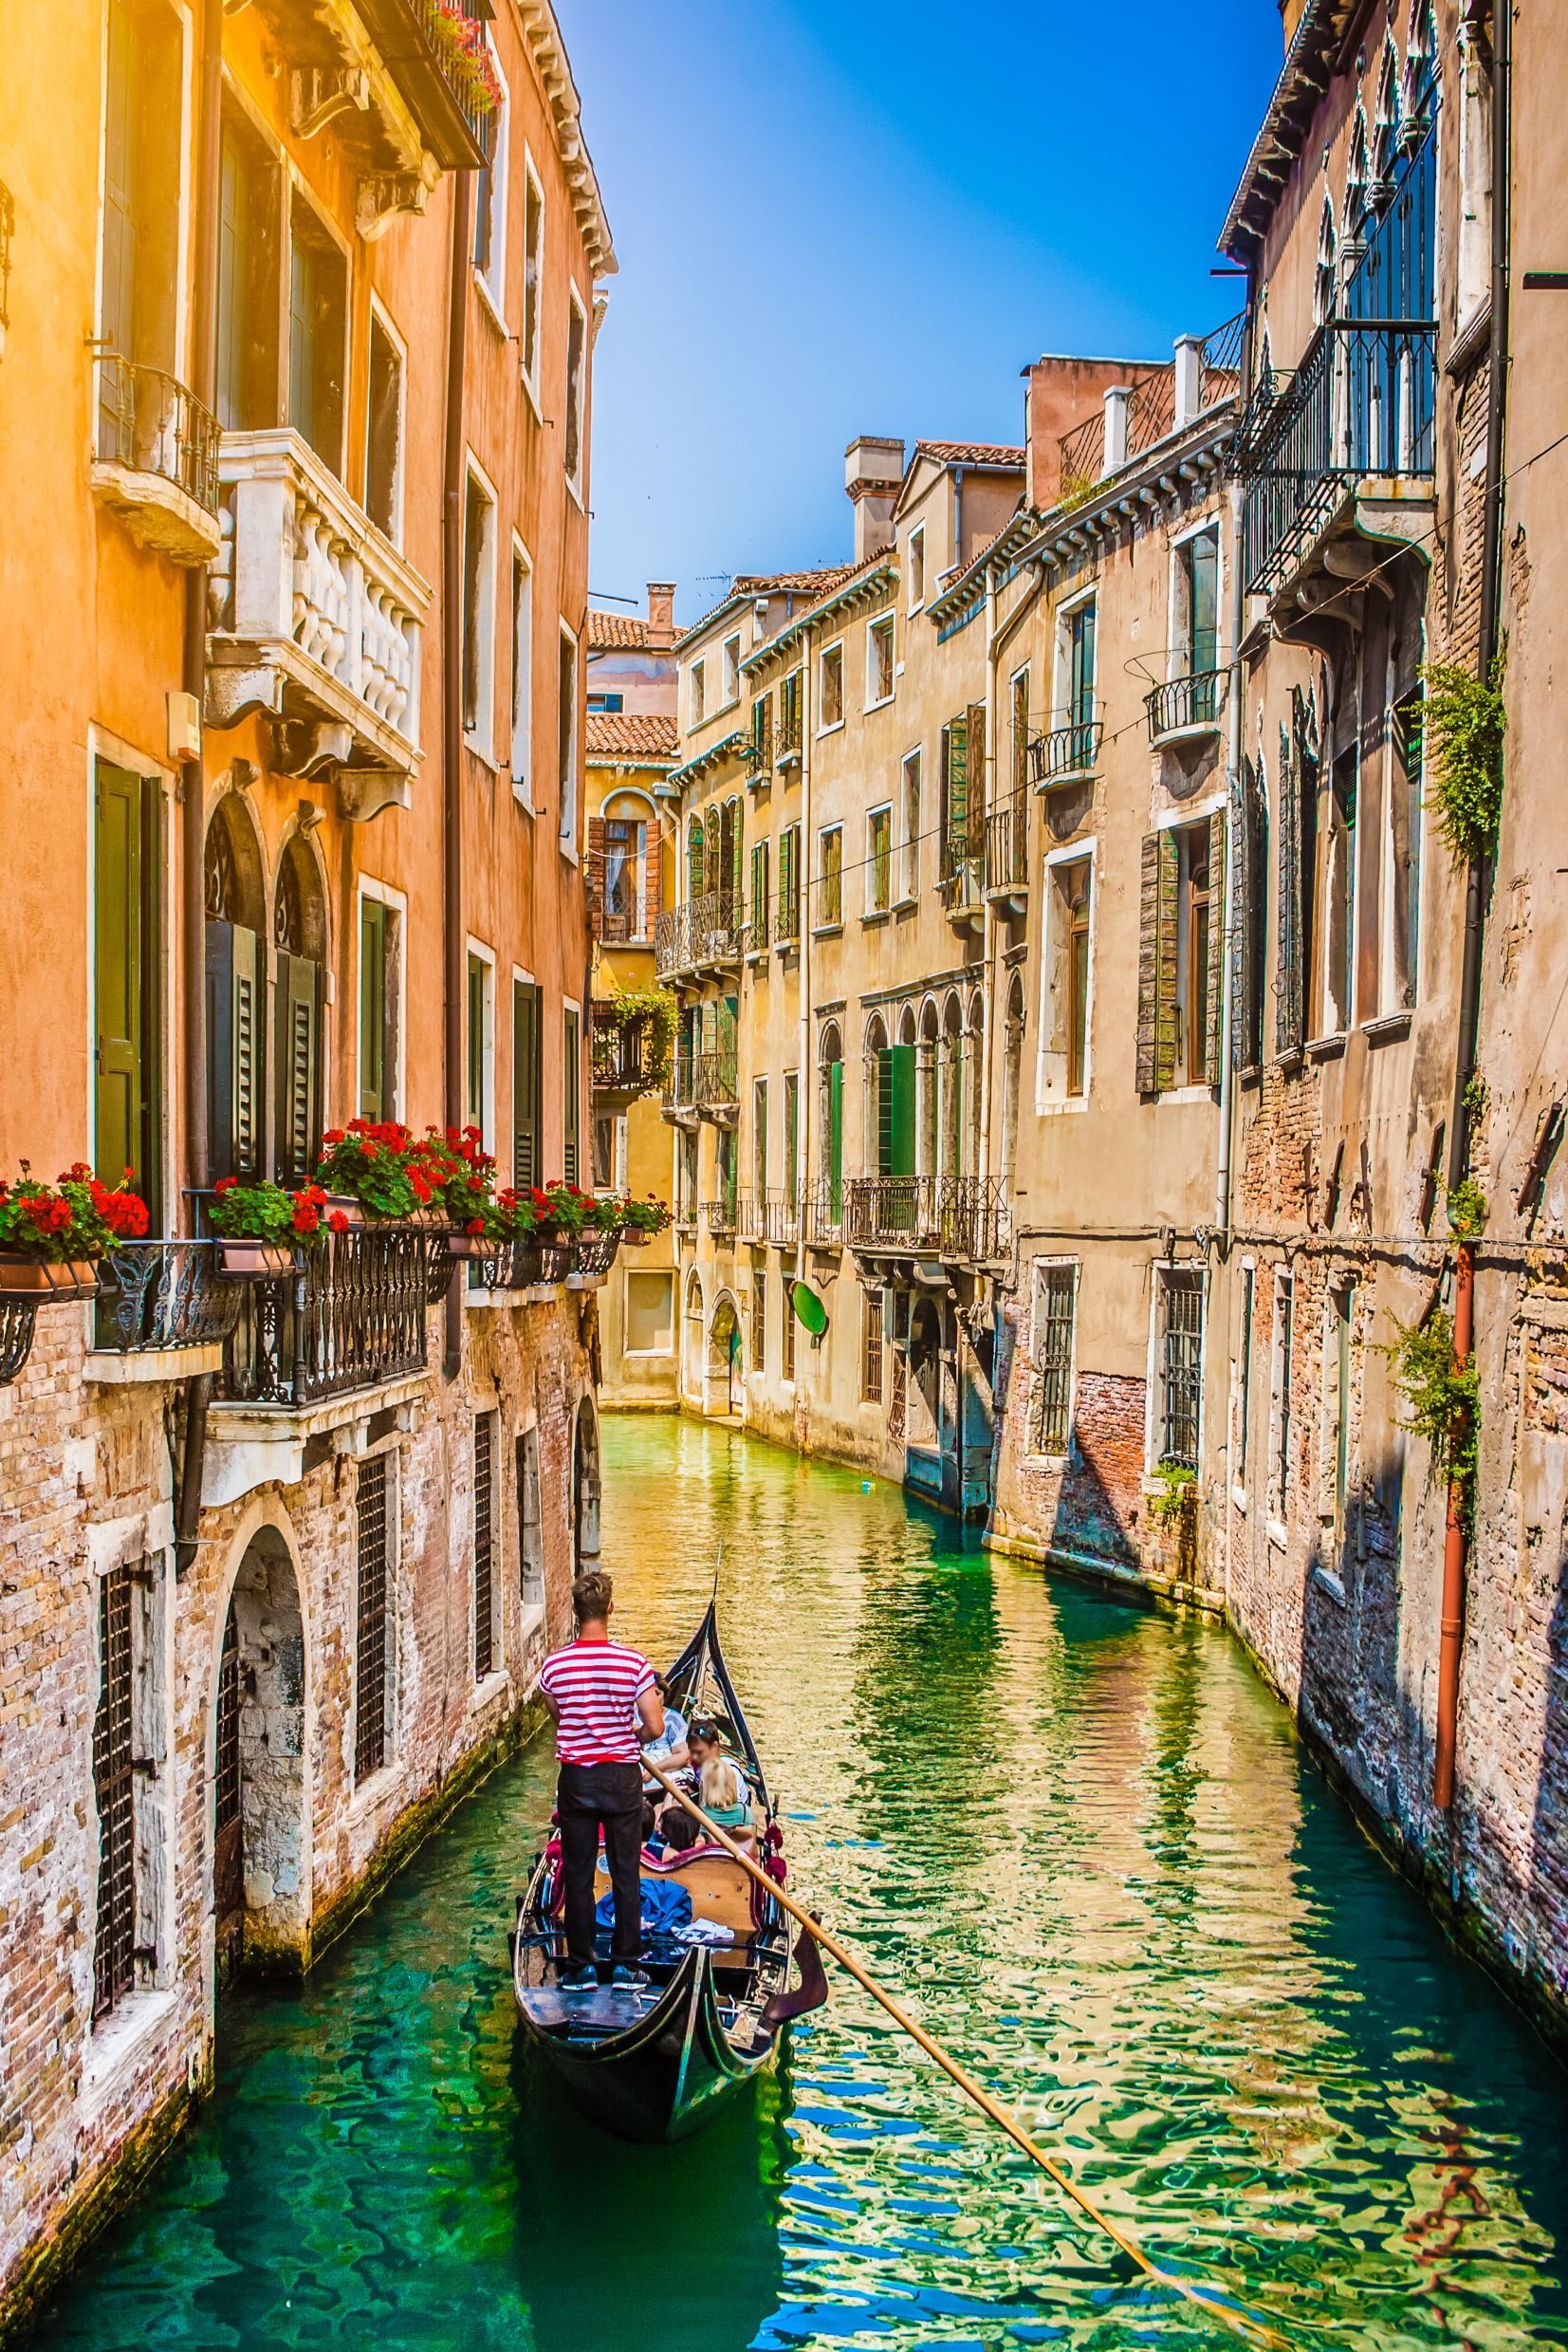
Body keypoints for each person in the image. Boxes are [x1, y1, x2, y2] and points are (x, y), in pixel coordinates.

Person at [539, 1569, 664, 1993]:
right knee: (627, 1870)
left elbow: (558, 1715)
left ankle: (581, 1968)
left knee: (577, 1872)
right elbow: (656, 1725)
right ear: (610, 1609)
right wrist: (633, 1736)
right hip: (620, 1777)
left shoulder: (554, 1666)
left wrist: (583, 1730)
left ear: (576, 1613)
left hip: (576, 1779)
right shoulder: (634, 1664)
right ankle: (627, 1966)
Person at [687, 1718, 755, 1843]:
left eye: (699, 1752)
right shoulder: (703, 1766)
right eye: (692, 1752)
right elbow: (693, 1789)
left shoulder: (727, 1771)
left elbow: (731, 1814)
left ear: (715, 1747)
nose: (694, 1758)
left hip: (731, 1828)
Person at [639, 1674, 692, 1796]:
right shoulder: (631, 1717)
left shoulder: (674, 1720)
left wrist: (654, 1770)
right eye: (648, 1695)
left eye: (657, 1694)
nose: (652, 1699)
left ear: (664, 1696)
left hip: (663, 1771)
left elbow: (683, 1756)